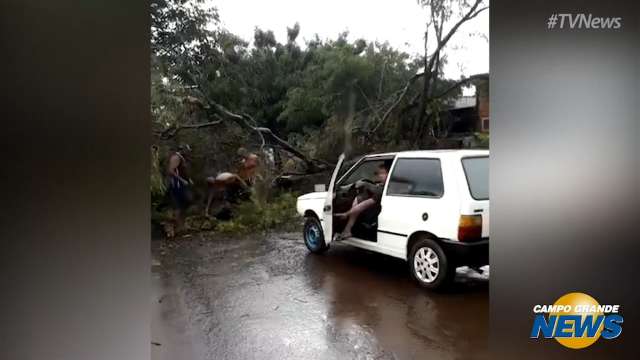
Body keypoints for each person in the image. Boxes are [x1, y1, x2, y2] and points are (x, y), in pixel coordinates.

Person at [334, 163, 389, 240]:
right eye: (379, 173)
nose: (380, 176)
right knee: (360, 197)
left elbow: (366, 204)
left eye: (383, 173)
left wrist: (347, 213)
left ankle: (347, 226)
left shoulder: (386, 188)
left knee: (361, 200)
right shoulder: (380, 186)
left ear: (389, 174)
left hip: (379, 211)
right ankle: (347, 229)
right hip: (375, 208)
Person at [205, 151, 260, 217]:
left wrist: (246, 187)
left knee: (247, 198)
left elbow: (236, 177)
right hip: (236, 189)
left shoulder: (223, 179)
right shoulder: (217, 186)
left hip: (242, 187)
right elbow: (211, 197)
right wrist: (206, 210)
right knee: (229, 205)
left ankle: (255, 210)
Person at [166, 144, 193, 235]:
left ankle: (181, 226)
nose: (188, 152)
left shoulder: (182, 158)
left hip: (181, 184)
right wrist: (182, 180)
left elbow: (182, 171)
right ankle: (176, 227)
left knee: (185, 203)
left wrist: (188, 179)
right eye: (187, 150)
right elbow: (171, 170)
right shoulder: (176, 157)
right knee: (178, 205)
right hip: (176, 184)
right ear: (182, 150)